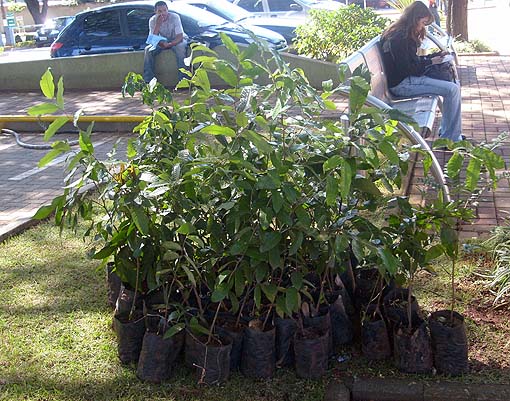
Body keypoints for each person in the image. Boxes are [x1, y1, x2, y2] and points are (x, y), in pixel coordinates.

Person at [380, 1, 463, 142]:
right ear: (414, 19)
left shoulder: (400, 33)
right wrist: (431, 62)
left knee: (453, 86)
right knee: (452, 90)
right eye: (423, 23)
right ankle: (451, 138)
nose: (423, 27)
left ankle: (450, 135)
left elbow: (410, 62)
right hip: (402, 85)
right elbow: (407, 69)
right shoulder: (399, 38)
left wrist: (433, 57)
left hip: (406, 80)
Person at [143, 1, 188, 83]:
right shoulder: (152, 20)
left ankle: (184, 80)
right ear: (155, 12)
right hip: (163, 40)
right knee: (148, 50)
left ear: (167, 10)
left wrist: (170, 44)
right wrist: (158, 25)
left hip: (177, 39)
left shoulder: (175, 17)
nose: (163, 13)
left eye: (164, 10)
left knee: (180, 48)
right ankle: (148, 80)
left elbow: (180, 36)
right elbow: (152, 40)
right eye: (159, 11)